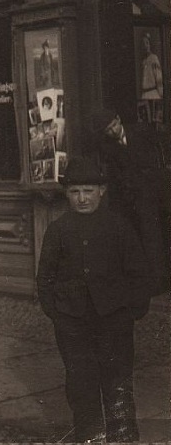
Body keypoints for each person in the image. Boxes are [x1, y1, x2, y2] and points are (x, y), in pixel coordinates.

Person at [37, 157, 152, 442]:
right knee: (81, 377)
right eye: (75, 192)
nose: (82, 198)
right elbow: (45, 276)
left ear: (102, 190)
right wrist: (56, 312)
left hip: (114, 316)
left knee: (117, 376)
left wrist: (133, 309)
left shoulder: (119, 227)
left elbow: (138, 271)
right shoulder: (58, 229)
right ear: (67, 194)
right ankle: (90, 433)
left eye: (88, 190)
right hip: (72, 319)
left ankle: (122, 433)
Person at [87, 108, 169, 293]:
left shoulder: (141, 132)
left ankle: (161, 281)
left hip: (157, 193)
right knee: (144, 240)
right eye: (108, 130)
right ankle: (152, 283)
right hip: (134, 200)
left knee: (156, 238)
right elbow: (117, 177)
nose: (113, 131)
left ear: (119, 118)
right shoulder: (108, 148)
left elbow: (161, 153)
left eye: (114, 126)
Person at [140, 32, 163, 100]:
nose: (145, 45)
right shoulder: (143, 60)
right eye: (143, 43)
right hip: (144, 94)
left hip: (152, 93)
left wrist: (161, 94)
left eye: (147, 43)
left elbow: (159, 77)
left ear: (150, 44)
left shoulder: (154, 58)